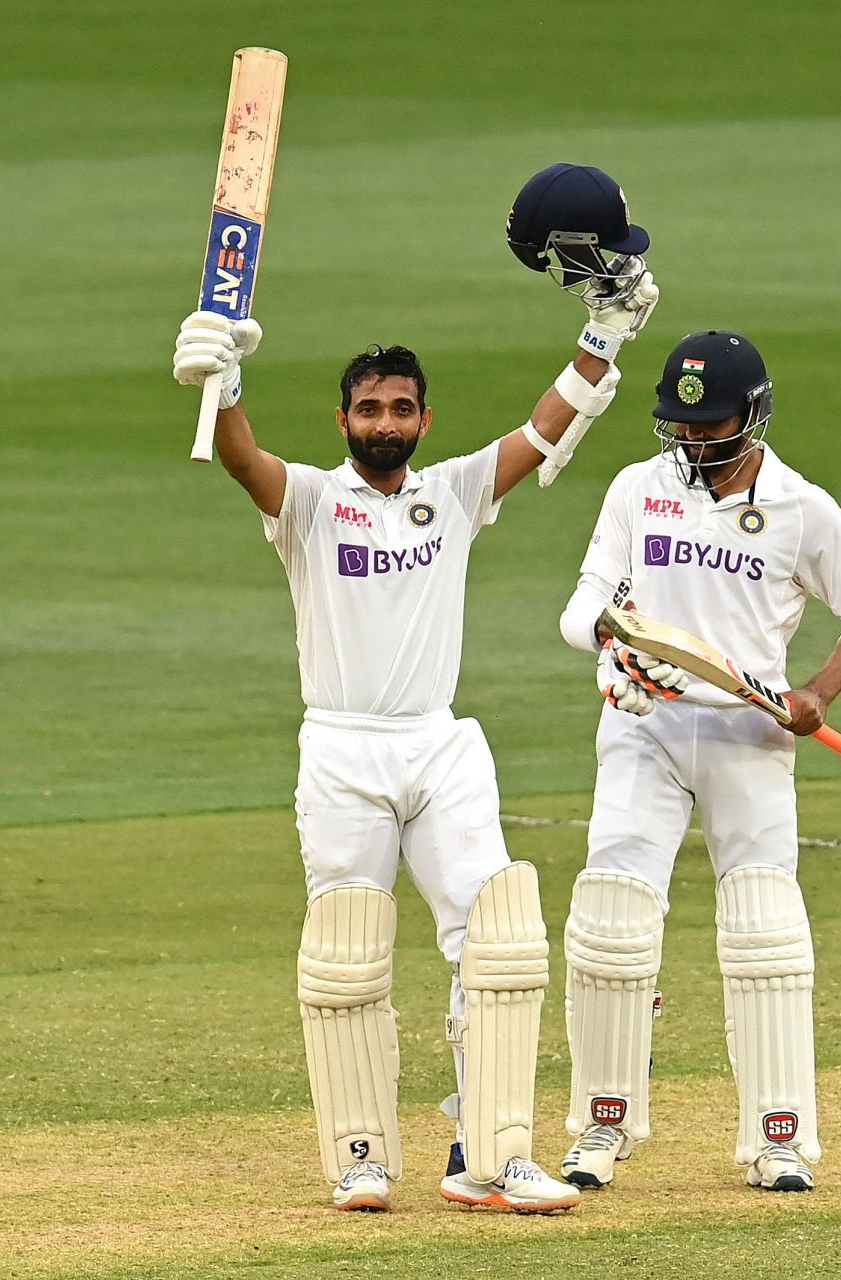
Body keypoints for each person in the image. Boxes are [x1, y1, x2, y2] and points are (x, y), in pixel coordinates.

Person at [168, 165, 658, 1214]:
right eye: (368, 407)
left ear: (425, 419)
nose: (384, 421)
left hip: (439, 745)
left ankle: (494, 1147)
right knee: (348, 950)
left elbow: (547, 428)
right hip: (342, 749)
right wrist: (224, 381)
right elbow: (241, 460)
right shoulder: (308, 502)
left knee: (498, 934)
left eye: (400, 408)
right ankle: (358, 1155)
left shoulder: (453, 493)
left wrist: (605, 336)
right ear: (343, 417)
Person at [553, 329, 841, 1194]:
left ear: (755, 415)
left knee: (765, 933)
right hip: (645, 729)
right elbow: (584, 604)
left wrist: (819, 690)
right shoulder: (639, 489)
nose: (696, 442)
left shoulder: (801, 507)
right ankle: (602, 1125)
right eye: (683, 425)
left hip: (751, 735)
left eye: (713, 427)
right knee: (612, 921)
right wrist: (614, 652)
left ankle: (779, 1138)